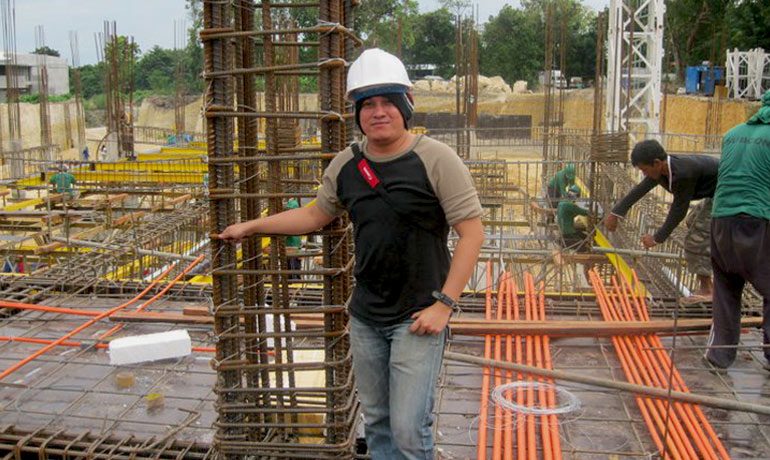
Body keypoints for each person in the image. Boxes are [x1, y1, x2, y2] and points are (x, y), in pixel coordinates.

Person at [219, 48, 484, 459]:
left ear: (405, 105)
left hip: (419, 315)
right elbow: (314, 215)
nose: (379, 112)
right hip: (366, 317)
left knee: (410, 429)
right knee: (377, 421)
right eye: (368, 104)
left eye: (387, 102)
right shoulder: (346, 165)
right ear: (357, 113)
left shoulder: (436, 160)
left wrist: (445, 304)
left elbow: (472, 233)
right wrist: (253, 226)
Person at [603, 139, 719, 303]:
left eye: (644, 169)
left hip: (730, 192)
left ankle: (708, 289)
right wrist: (616, 213)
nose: (644, 174)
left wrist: (657, 238)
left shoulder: (683, 173)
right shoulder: (663, 170)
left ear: (657, 163)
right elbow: (640, 189)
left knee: (695, 239)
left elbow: (678, 210)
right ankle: (712, 251)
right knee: (692, 222)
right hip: (714, 192)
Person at [704, 90, 770, 370]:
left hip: (720, 220)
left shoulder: (732, 134)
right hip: (756, 221)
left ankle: (720, 355)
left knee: (726, 288)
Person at [557, 185, 591, 251]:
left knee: (585, 237)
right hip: (568, 233)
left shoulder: (561, 202)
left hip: (563, 230)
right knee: (584, 246)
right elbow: (584, 212)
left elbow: (571, 214)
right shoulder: (570, 205)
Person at [284, 198, 302, 281]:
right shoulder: (297, 221)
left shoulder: (290, 223)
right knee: (294, 272)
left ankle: (294, 286)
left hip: (292, 251)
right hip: (294, 251)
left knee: (293, 273)